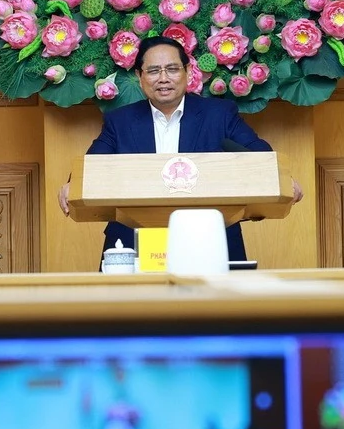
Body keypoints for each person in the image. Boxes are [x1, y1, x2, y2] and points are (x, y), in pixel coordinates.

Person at [57, 37, 301, 263]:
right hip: (134, 239)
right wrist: (73, 185)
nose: (163, 78)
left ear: (188, 72)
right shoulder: (120, 121)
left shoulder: (219, 115)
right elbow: (91, 168)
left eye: (172, 69)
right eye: (153, 71)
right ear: (140, 76)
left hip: (210, 239)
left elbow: (260, 157)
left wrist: (280, 178)